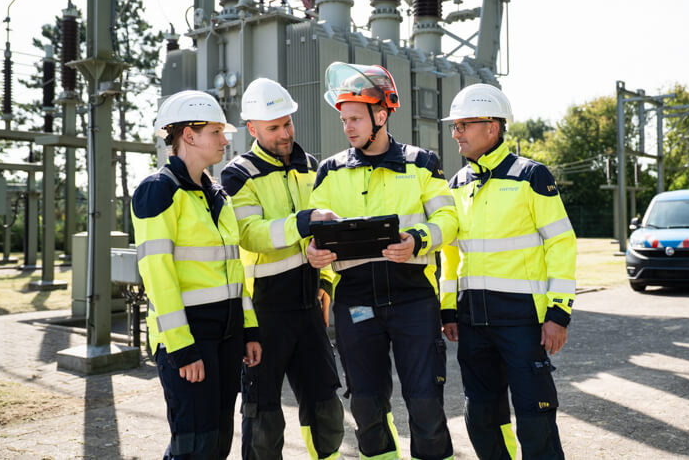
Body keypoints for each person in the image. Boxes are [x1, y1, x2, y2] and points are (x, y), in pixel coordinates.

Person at [306, 62, 457, 460]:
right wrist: (313, 253)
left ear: (382, 114)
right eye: (343, 120)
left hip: (413, 300)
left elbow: (450, 219)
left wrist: (419, 240)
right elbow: (315, 230)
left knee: (425, 402)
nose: (348, 127)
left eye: (355, 118)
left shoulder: (422, 163)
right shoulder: (330, 171)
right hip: (356, 303)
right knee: (366, 405)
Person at [439, 84, 576, 460]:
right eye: (455, 126)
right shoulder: (456, 185)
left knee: (535, 414)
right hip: (472, 321)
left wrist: (558, 314)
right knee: (481, 416)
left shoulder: (531, 176)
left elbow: (561, 244)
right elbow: (451, 256)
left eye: (464, 124)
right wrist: (448, 309)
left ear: (492, 128)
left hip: (522, 321)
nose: (456, 133)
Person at [131, 90, 262, 460]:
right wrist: (183, 348)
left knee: (219, 440)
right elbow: (158, 275)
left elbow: (235, 269)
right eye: (217, 132)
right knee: (194, 445)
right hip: (188, 340)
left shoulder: (217, 195)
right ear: (189, 135)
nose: (225, 139)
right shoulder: (158, 191)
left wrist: (248, 329)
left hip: (227, 336)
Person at [219, 78, 345, 460]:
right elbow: (250, 234)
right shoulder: (237, 174)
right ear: (252, 129)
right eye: (273, 128)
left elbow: (328, 235)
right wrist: (303, 222)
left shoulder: (312, 167)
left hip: (309, 307)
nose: (284, 133)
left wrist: (326, 283)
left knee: (327, 406)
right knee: (263, 415)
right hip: (264, 313)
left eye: (287, 123)